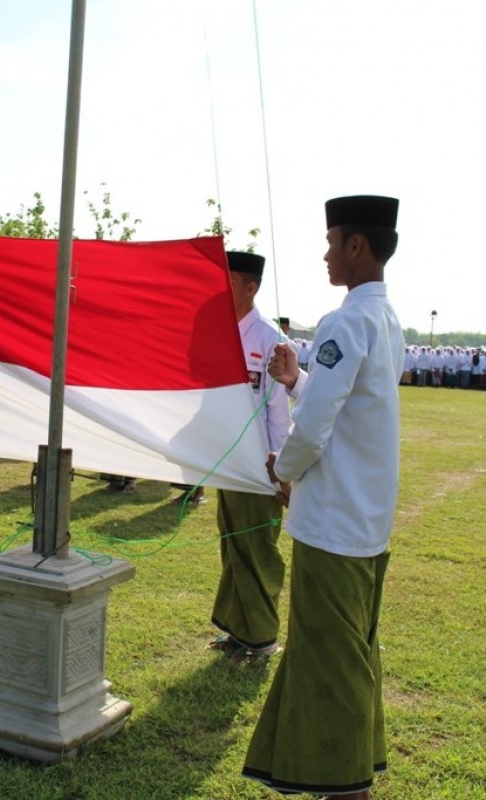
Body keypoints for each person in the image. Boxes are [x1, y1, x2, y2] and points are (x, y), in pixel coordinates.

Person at [242, 195, 404, 799]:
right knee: (351, 648)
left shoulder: (345, 321)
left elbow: (314, 428)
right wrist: (298, 380)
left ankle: (345, 784)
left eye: (333, 241)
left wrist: (283, 471)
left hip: (333, 522)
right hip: (365, 519)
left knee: (330, 659)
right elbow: (351, 403)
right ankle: (351, 770)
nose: (327, 254)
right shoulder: (386, 319)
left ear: (356, 246)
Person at [206, 251, 291, 664]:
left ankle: (262, 639)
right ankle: (237, 632)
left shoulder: (269, 338)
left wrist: (280, 470)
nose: (220, 288)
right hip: (227, 461)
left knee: (258, 549)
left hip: (260, 466)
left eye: (229, 280)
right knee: (233, 546)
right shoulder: (218, 332)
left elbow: (279, 410)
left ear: (250, 287)